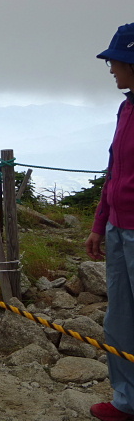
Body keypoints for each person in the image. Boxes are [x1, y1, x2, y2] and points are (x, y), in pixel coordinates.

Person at [86, 23, 134, 421]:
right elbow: (113, 170)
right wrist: (100, 224)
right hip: (119, 228)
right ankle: (126, 401)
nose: (111, 68)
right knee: (118, 318)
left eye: (115, 60)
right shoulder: (126, 107)